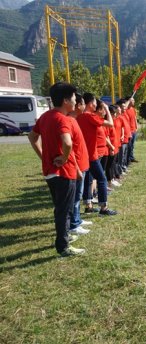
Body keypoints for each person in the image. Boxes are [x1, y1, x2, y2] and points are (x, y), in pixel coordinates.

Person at [28, 82, 86, 256]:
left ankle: (65, 236)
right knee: (64, 210)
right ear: (65, 100)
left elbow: (32, 137)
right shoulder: (62, 119)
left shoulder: (46, 117)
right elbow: (67, 142)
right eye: (74, 98)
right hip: (63, 172)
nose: (76, 102)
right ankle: (63, 246)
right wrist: (65, 158)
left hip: (51, 173)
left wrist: (43, 156)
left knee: (62, 207)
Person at [77, 93, 117, 216]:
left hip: (84, 154)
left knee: (88, 179)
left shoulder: (79, 117)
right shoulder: (90, 116)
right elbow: (110, 123)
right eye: (95, 102)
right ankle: (103, 207)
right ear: (90, 104)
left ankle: (88, 205)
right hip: (91, 154)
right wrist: (107, 109)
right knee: (102, 179)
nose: (96, 105)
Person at [67, 93, 92, 236]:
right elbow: (69, 148)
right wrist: (76, 167)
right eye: (80, 103)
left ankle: (77, 220)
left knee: (79, 195)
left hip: (83, 164)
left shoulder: (75, 120)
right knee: (75, 197)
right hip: (77, 167)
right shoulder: (69, 121)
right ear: (77, 106)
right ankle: (73, 224)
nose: (83, 106)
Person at [125, 96, 139, 163]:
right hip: (129, 131)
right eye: (132, 100)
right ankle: (127, 160)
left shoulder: (133, 109)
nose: (134, 101)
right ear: (129, 101)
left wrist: (136, 126)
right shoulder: (125, 110)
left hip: (134, 130)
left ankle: (131, 157)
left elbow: (135, 118)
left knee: (132, 145)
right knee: (129, 146)